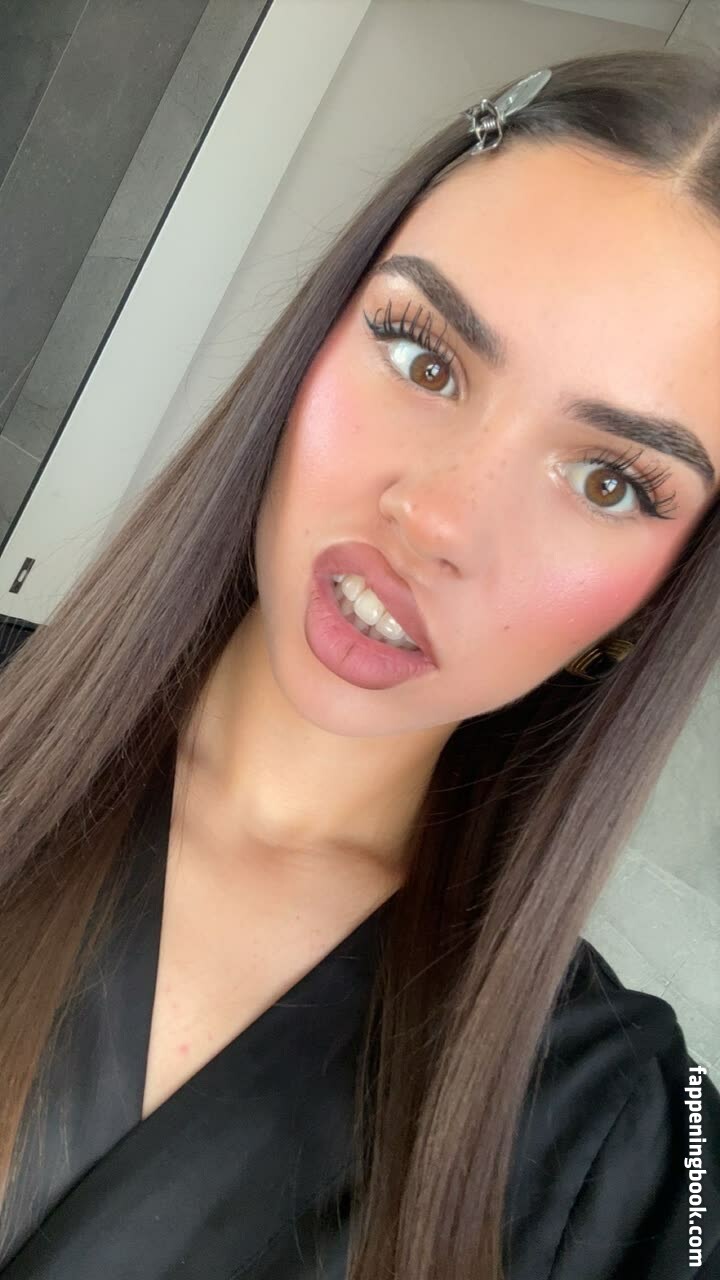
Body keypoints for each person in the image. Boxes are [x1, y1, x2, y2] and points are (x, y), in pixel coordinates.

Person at [0, 45, 718, 1280]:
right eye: (423, 357)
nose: (437, 517)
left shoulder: (614, 1138)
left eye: (609, 481)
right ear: (314, 348)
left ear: (654, 605)